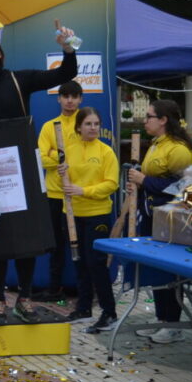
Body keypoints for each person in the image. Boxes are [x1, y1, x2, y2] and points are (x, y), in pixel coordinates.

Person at [0, 0, 79, 325]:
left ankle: (24, 298)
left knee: (25, 238)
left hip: (22, 170)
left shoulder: (19, 79)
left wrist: (69, 46)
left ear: (0, 53)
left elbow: (67, 73)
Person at [126, 99, 192, 344]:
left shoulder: (178, 150)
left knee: (169, 271)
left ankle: (173, 323)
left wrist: (144, 180)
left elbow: (187, 190)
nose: (145, 121)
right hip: (152, 215)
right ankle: (162, 319)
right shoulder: (157, 144)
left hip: (172, 219)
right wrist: (138, 183)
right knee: (155, 268)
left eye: (149, 116)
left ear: (163, 119)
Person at [58, 108, 119, 331]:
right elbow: (63, 186)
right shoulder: (69, 151)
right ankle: (84, 308)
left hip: (98, 214)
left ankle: (109, 312)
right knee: (79, 262)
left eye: (96, 124)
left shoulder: (106, 151)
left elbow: (111, 184)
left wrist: (83, 190)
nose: (93, 128)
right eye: (88, 124)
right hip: (73, 214)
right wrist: (61, 172)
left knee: (96, 264)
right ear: (79, 127)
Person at [36, 81, 83, 301]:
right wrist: (60, 157)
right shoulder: (49, 126)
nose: (70, 100)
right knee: (56, 244)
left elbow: (88, 153)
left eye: (74, 96)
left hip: (80, 193)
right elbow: (42, 159)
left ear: (80, 99)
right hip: (55, 193)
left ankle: (84, 288)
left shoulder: (85, 122)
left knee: (80, 242)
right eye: (65, 96)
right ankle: (54, 288)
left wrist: (59, 153)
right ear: (59, 99)